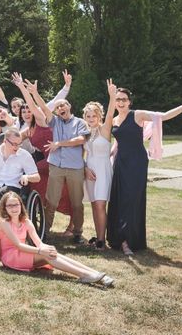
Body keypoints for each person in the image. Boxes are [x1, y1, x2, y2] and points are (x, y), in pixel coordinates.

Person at [108, 88, 182, 255]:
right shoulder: (114, 119)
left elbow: (163, 116)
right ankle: (118, 238)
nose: (121, 102)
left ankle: (128, 241)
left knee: (132, 200)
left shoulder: (138, 115)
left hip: (136, 163)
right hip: (120, 163)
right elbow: (116, 142)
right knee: (120, 199)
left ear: (130, 101)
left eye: (124, 99)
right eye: (118, 99)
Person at [0, 192, 114, 286]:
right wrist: (40, 251)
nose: (14, 208)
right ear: (4, 208)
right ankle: (84, 275)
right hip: (11, 256)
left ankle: (95, 274)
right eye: (10, 205)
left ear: (20, 205)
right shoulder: (4, 222)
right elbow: (18, 245)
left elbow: (38, 242)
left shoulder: (26, 222)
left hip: (24, 252)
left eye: (16, 204)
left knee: (52, 253)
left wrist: (46, 248)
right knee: (47, 254)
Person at [11, 73, 73, 235]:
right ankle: (33, 217)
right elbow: (16, 139)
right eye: (24, 111)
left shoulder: (42, 119)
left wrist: (24, 89)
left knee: (58, 189)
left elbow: (32, 104)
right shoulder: (29, 128)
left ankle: (72, 224)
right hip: (45, 163)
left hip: (55, 161)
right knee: (37, 186)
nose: (28, 112)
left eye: (30, 110)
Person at [28, 79, 89, 243]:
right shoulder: (54, 122)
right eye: (58, 106)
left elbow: (81, 140)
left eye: (63, 105)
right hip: (56, 167)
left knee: (76, 203)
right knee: (51, 201)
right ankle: (45, 232)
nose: (60, 108)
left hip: (75, 168)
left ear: (69, 106)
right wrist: (34, 93)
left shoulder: (80, 123)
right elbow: (45, 109)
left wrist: (59, 144)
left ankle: (77, 233)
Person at [82, 80, 117, 250]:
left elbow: (111, 114)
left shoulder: (104, 129)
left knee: (102, 204)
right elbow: (81, 155)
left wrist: (112, 96)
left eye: (93, 116)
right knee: (95, 205)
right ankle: (98, 236)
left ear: (99, 116)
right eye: (88, 116)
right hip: (90, 170)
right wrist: (85, 169)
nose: (91, 119)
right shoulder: (86, 133)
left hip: (103, 169)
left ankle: (102, 241)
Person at [0, 128, 40, 214]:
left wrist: (26, 177)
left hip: (14, 186)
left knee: (0, 194)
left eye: (19, 144)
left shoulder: (24, 155)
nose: (17, 147)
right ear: (5, 141)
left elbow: (37, 177)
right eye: (14, 144)